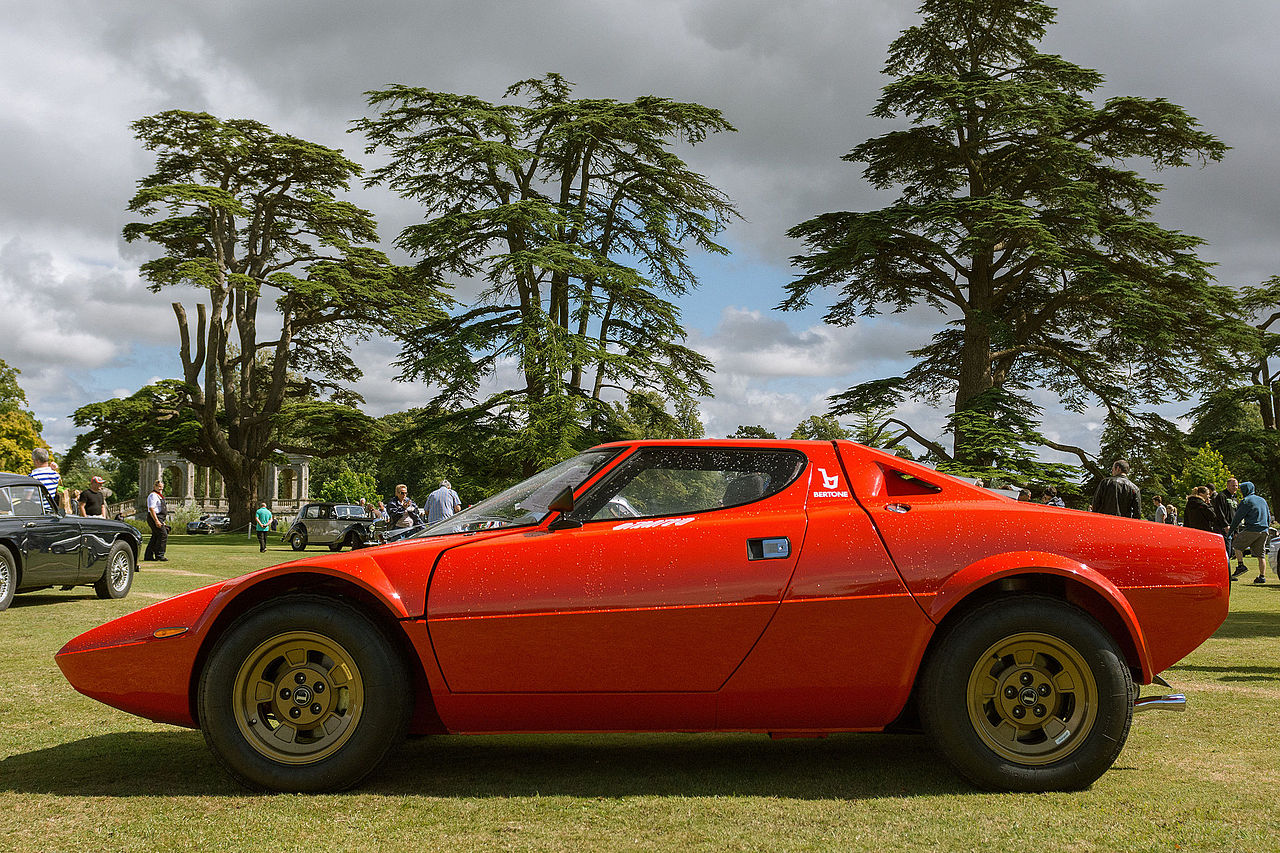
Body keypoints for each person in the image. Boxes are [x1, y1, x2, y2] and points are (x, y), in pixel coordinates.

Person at [1227, 481, 1271, 584]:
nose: (1241, 492)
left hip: (1252, 529)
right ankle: (1262, 577)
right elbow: (1268, 516)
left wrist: (1230, 532)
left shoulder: (1246, 501)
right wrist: (1266, 527)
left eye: (1242, 490)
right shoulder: (1262, 500)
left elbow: (1237, 518)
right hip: (1264, 530)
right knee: (1261, 555)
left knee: (1236, 545)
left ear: (1245, 490)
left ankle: (1241, 565)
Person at [1211, 478, 1239, 562]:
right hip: (1223, 528)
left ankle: (1227, 571)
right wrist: (1225, 525)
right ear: (1227, 486)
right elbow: (1219, 512)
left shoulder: (1235, 498)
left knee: (1230, 552)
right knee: (1226, 551)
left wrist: (1236, 530)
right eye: (1233, 485)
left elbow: (1236, 514)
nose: (1235, 487)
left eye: (1236, 485)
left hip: (1232, 527)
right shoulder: (1221, 496)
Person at [144, 479, 168, 562]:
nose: (161, 489)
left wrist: (162, 520)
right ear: (155, 486)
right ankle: (159, 555)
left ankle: (148, 556)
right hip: (154, 517)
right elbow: (151, 508)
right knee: (163, 535)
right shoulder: (153, 495)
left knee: (155, 536)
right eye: (159, 487)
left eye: (162, 487)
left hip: (159, 517)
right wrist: (157, 521)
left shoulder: (159, 495)